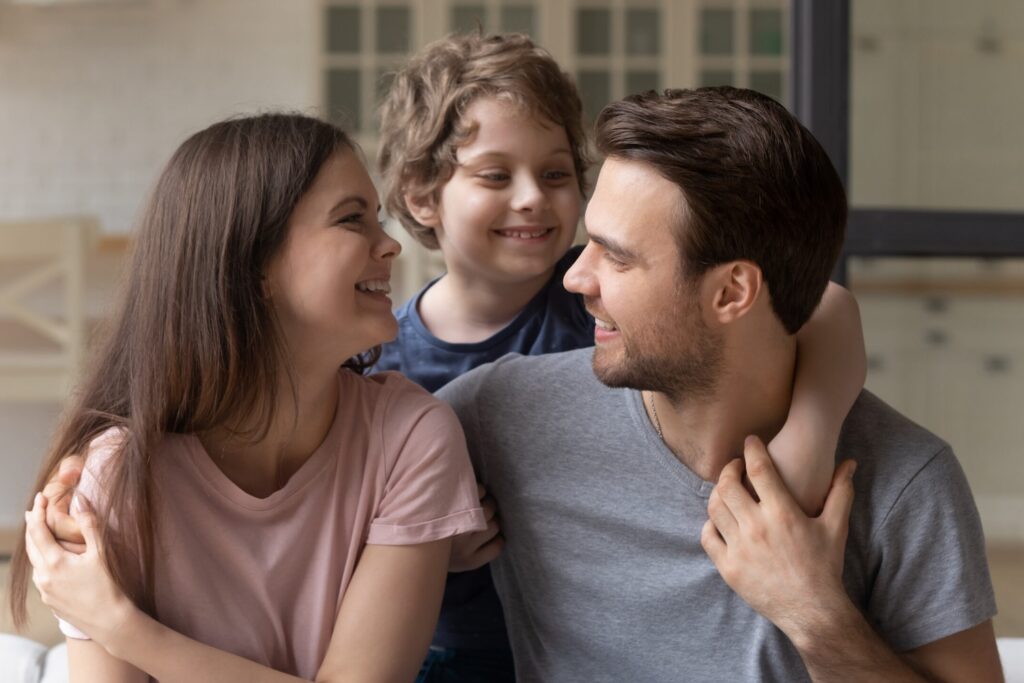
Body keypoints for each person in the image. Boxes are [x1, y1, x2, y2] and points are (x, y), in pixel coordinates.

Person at [436, 87, 1004, 681]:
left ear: (732, 292)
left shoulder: (904, 482)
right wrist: (419, 550)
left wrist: (813, 612)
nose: (576, 276)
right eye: (589, 242)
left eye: (618, 257)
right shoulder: (503, 414)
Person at [375, 32, 866, 682]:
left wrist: (806, 442)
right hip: (440, 658)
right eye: (496, 175)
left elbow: (821, 305)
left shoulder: (619, 318)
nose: (531, 197)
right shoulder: (380, 361)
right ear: (419, 196)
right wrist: (428, 544)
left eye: (555, 173)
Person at [10, 113, 486, 681]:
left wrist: (123, 629)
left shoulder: (413, 437)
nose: (390, 245)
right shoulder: (121, 474)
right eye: (352, 220)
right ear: (254, 265)